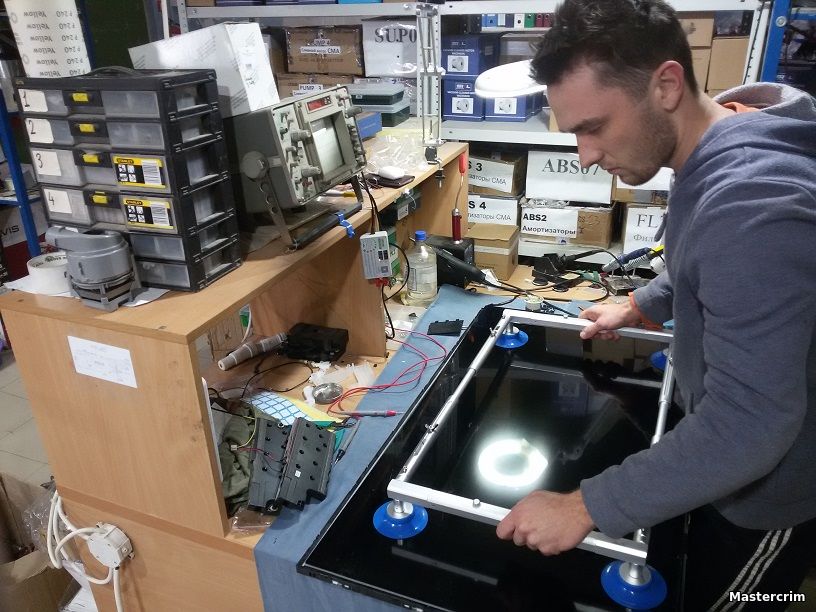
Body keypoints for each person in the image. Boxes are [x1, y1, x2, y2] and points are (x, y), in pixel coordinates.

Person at [494, 1, 816, 609]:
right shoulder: (724, 136)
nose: (585, 155)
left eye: (593, 126)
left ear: (666, 85)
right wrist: (644, 303)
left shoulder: (753, 207)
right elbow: (708, 261)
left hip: (769, 497)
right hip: (731, 453)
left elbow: (751, 424)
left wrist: (586, 505)